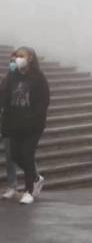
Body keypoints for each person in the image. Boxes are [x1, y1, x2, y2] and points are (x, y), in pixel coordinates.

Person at [1, 47, 50, 204]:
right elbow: (5, 97)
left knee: (27, 154)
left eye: (21, 56)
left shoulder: (38, 78)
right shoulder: (12, 76)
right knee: (15, 155)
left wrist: (33, 119)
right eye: (15, 56)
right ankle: (36, 177)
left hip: (32, 126)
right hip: (15, 124)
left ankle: (29, 191)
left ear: (30, 59)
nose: (17, 59)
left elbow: (43, 102)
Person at [1, 52, 19, 199]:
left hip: (21, 123)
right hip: (7, 122)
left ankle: (35, 179)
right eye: (11, 61)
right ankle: (12, 186)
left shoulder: (25, 79)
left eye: (15, 61)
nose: (12, 63)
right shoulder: (8, 78)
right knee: (9, 155)